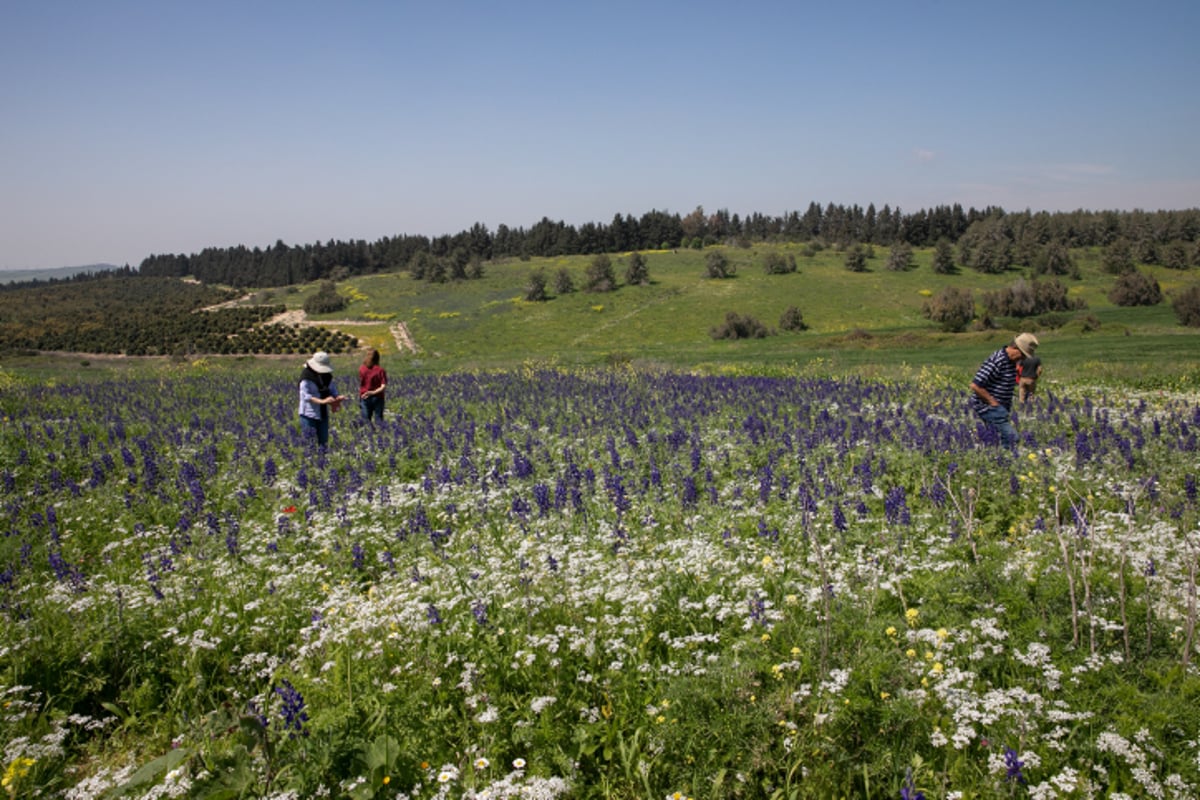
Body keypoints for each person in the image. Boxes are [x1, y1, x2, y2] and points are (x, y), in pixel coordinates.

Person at [969, 333, 1039, 448]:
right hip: (989, 407)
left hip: (999, 408)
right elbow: (975, 385)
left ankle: (993, 458)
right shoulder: (997, 360)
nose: (1022, 359)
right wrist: (994, 403)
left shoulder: (1011, 362)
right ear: (1015, 348)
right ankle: (1004, 460)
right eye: (1022, 355)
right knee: (1011, 438)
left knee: (993, 439)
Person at [297, 351, 347, 447]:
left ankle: (322, 458)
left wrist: (337, 398)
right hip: (308, 414)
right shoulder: (306, 377)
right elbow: (305, 396)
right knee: (309, 442)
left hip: (322, 413)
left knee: (323, 442)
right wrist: (323, 401)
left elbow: (332, 390)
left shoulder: (327, 376)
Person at [358, 348, 388, 423]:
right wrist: (373, 392)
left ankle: (367, 433)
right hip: (378, 397)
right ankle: (379, 433)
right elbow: (383, 386)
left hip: (364, 396)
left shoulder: (362, 369)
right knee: (379, 420)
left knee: (366, 420)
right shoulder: (380, 370)